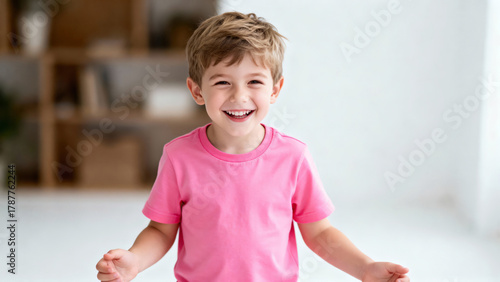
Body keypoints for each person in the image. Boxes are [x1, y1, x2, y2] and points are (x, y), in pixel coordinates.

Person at [96, 11, 410, 282]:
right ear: (196, 90)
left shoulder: (293, 157)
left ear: (276, 89)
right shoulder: (178, 157)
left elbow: (321, 234)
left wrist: (365, 268)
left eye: (254, 82)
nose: (239, 97)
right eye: (222, 82)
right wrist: (135, 260)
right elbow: (161, 231)